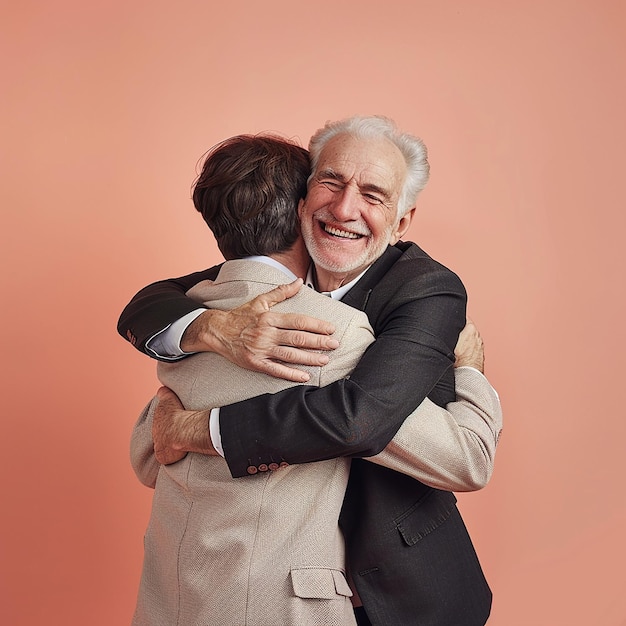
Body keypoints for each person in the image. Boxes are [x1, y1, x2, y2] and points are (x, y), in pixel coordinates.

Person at [119, 116, 500, 625]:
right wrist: (207, 329)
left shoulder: (426, 290)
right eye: (331, 182)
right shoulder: (244, 292)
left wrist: (196, 428)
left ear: (401, 222)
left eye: (373, 194)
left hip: (397, 579)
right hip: (288, 582)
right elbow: (147, 303)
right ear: (301, 198)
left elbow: (360, 419)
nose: (345, 209)